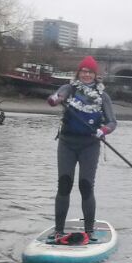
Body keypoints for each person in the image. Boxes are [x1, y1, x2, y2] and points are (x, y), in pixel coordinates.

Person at [46, 56, 117, 243]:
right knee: (64, 184)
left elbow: (112, 122)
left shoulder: (103, 96)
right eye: (83, 71)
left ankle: (89, 231)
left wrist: (103, 130)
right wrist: (55, 99)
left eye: (90, 72)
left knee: (85, 186)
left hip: (89, 145)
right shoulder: (70, 89)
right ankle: (58, 231)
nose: (86, 75)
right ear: (78, 73)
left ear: (95, 74)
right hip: (67, 143)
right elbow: (59, 96)